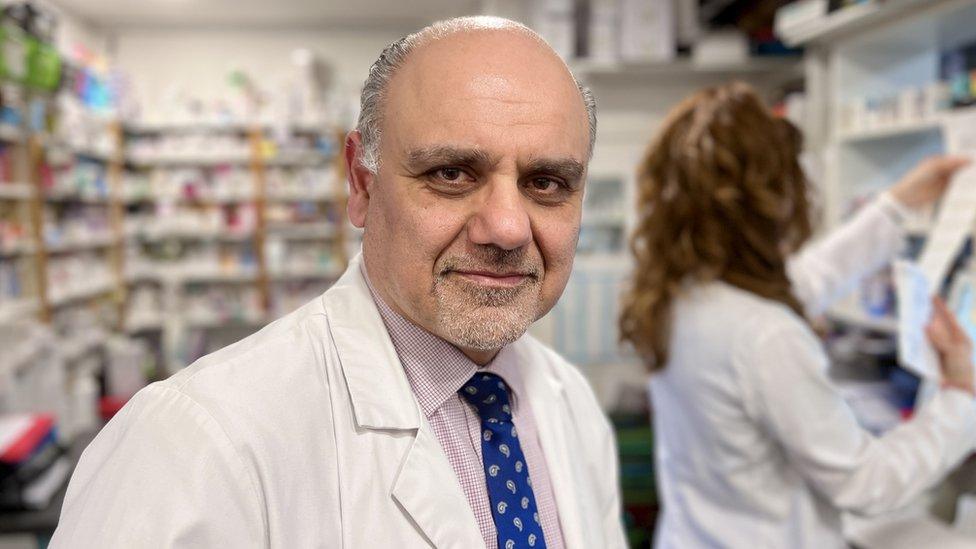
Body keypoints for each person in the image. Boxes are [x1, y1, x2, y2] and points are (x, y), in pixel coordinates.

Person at [52, 17, 627, 548]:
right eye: (451, 174)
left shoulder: (568, 404)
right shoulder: (194, 446)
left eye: (547, 183)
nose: (505, 228)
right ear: (361, 183)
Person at [619, 81, 976, 548]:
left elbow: (800, 283)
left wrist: (894, 207)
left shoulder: (674, 296)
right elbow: (866, 482)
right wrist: (961, 398)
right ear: (770, 198)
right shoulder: (765, 335)